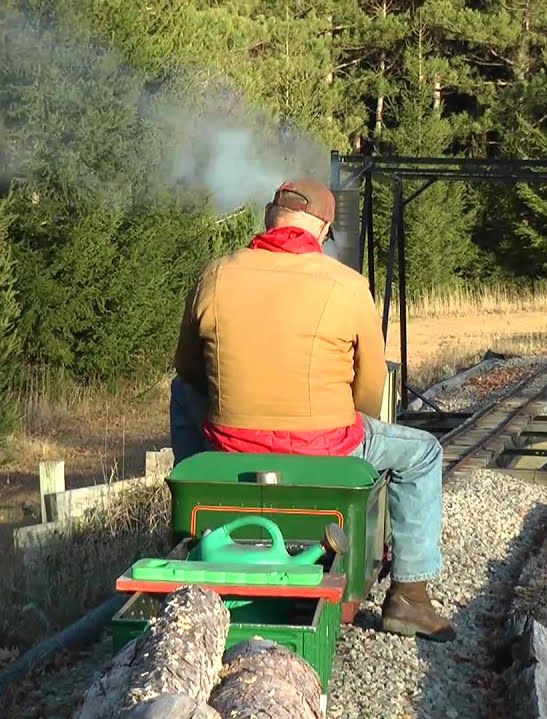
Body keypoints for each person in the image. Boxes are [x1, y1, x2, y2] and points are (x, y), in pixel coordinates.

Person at [169, 178, 455, 643]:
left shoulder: (215, 274)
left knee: (182, 393)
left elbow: (188, 370)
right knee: (423, 454)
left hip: (230, 447)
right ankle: (410, 599)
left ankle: (192, 520)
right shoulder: (348, 285)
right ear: (322, 229)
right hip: (327, 448)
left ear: (268, 218)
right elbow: (369, 391)